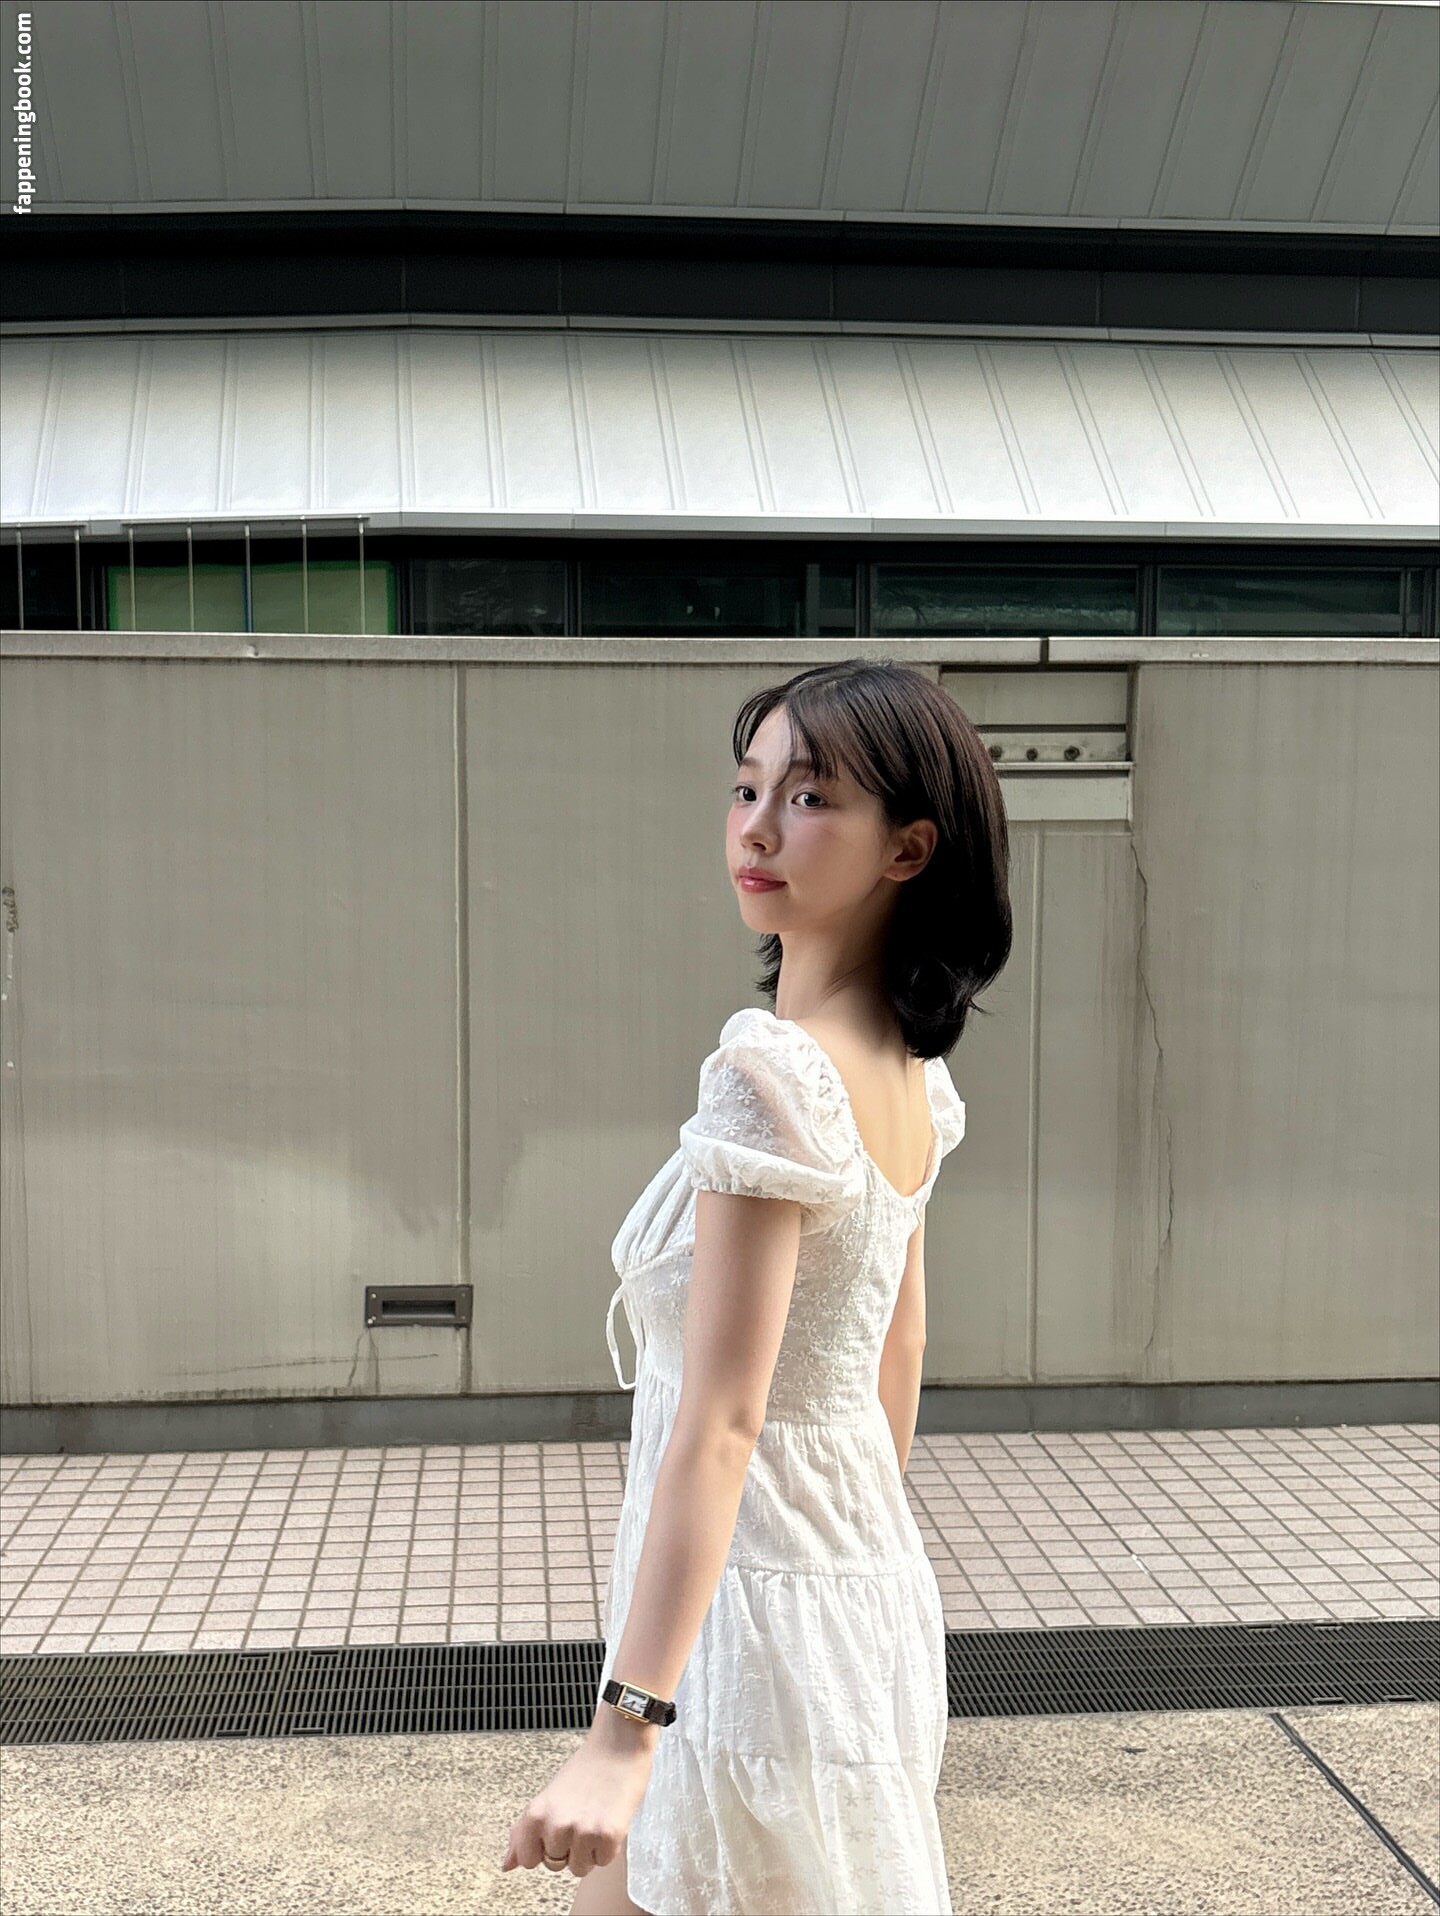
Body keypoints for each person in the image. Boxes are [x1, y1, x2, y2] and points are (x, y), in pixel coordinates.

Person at [500, 658, 1013, 1914]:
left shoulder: (770, 1075)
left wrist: (623, 1729)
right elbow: (895, 1351)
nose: (758, 826)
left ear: (909, 847)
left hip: (748, 1615)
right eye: (747, 787)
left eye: (812, 796)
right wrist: (832, 1568)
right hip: (841, 1582)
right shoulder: (905, 1071)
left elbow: (725, 1417)